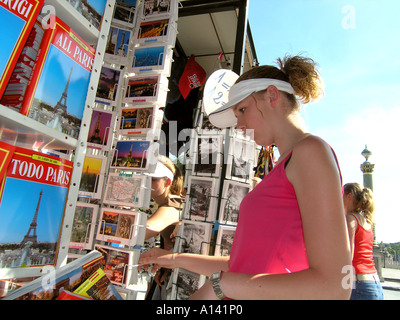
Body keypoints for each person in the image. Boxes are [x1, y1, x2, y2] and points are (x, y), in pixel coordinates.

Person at [139, 55, 352, 300]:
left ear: (272, 96)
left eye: (242, 110)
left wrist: (220, 286)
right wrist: (174, 259)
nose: (239, 125)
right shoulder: (286, 165)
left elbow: (335, 286)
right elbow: (243, 267)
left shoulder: (310, 152)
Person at [144, 155, 184, 299]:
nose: (147, 182)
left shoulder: (170, 206)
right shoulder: (170, 202)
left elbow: (139, 233)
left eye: (153, 179)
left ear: (167, 182)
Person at [343, 183, 384, 300]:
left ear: (349, 196)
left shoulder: (350, 219)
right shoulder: (367, 222)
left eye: (342, 194)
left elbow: (348, 255)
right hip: (374, 283)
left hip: (359, 284)